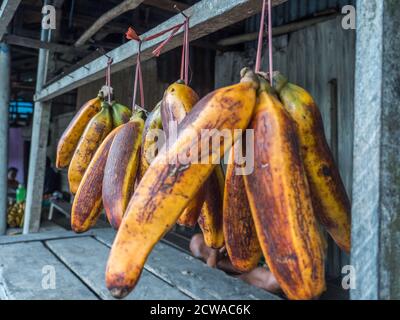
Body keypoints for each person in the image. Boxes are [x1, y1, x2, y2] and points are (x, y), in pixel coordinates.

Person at [190, 233, 281, 294]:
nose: (208, 248)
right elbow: (272, 281)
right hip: (246, 274)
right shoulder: (215, 266)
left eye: (205, 243)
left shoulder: (228, 238)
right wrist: (215, 251)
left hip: (258, 254)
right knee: (272, 281)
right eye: (203, 250)